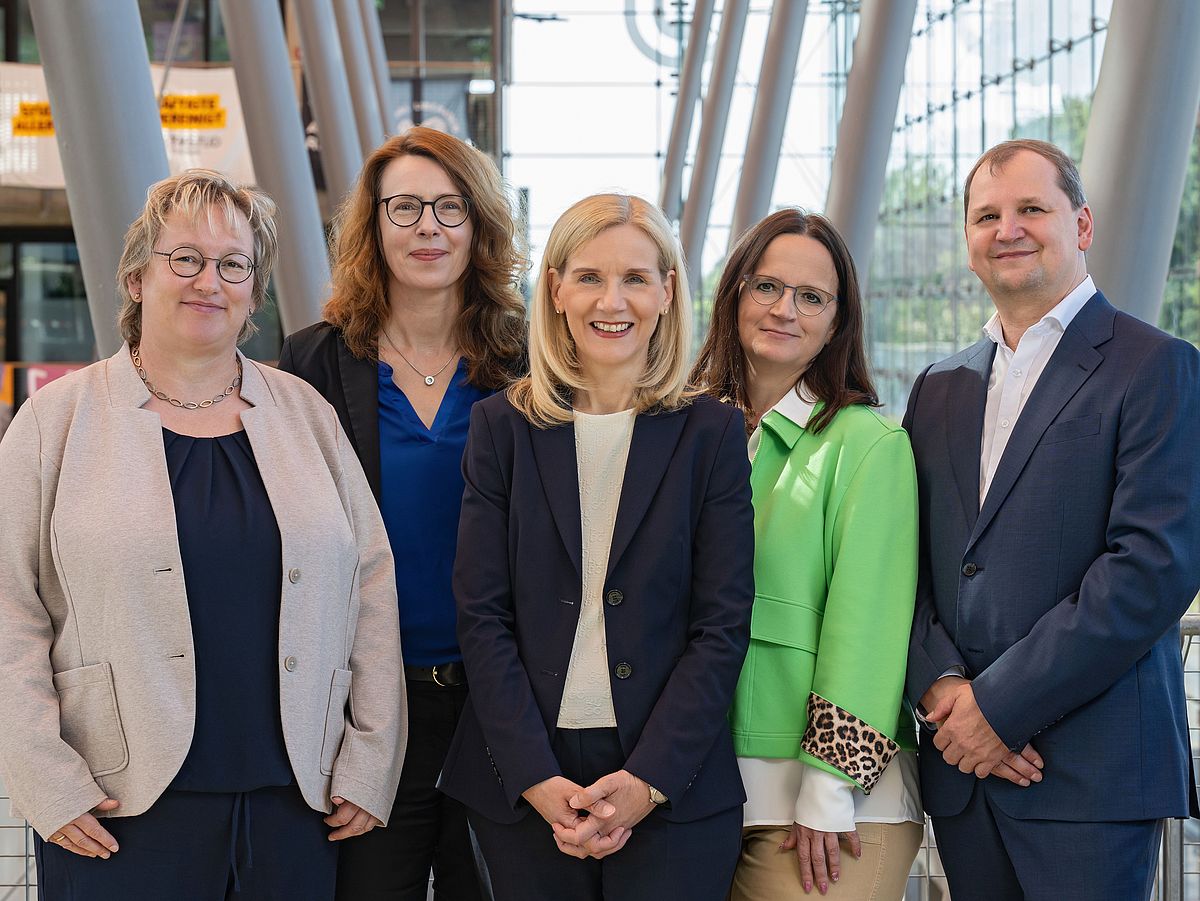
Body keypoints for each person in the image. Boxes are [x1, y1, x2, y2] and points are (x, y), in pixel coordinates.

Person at [0, 169, 405, 900]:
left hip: (297, 804)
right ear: (135, 277)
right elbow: (8, 608)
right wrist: (45, 779)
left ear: (254, 290)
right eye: (183, 258)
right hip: (115, 805)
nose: (207, 280)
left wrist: (371, 759)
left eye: (232, 264)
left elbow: (370, 585)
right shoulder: (55, 423)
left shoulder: (306, 415)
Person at [904, 138, 1200, 900]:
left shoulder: (1156, 365)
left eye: (1032, 208)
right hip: (963, 775)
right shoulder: (936, 389)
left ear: (1084, 224)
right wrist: (944, 694)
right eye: (987, 215)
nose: (1008, 228)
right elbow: (905, 567)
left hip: (1089, 776)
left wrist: (998, 709)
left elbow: (1152, 567)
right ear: (968, 242)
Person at [438, 193, 755, 900]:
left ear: (668, 292)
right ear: (554, 288)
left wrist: (648, 781)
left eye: (637, 278)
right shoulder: (501, 428)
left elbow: (721, 625)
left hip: (670, 777)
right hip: (524, 773)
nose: (612, 300)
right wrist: (534, 775)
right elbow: (482, 616)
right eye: (589, 276)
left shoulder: (712, 435)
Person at [278, 126, 525, 901]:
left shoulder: (528, 364)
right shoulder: (313, 362)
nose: (428, 227)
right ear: (373, 226)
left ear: (480, 226)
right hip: (368, 709)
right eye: (406, 207)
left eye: (450, 207)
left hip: (500, 706)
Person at [691, 210, 923, 900]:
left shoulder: (868, 444)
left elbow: (869, 625)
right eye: (767, 286)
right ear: (734, 294)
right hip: (703, 791)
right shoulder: (697, 433)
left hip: (832, 807)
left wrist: (830, 784)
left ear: (836, 321)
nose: (785, 309)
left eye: (811, 296)